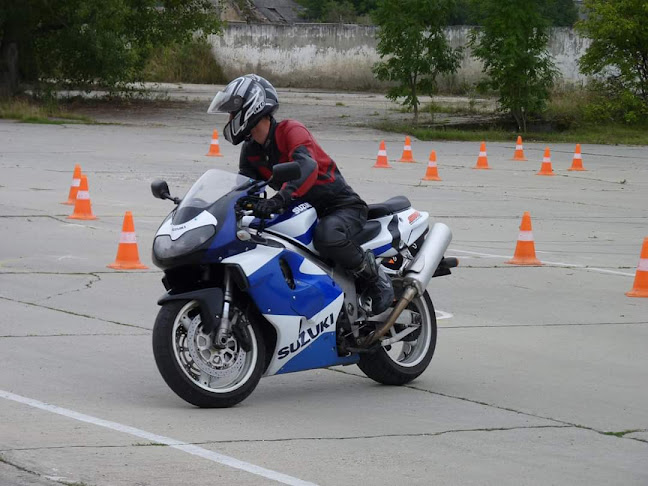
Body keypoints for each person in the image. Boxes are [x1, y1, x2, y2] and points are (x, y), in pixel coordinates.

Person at [207, 74, 394, 315]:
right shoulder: (251, 151)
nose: (230, 120)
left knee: (327, 236)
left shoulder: (290, 130)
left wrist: (280, 198)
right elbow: (245, 187)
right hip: (301, 210)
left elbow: (307, 167)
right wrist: (225, 208)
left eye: (233, 113)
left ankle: (377, 278)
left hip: (341, 206)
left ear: (251, 106)